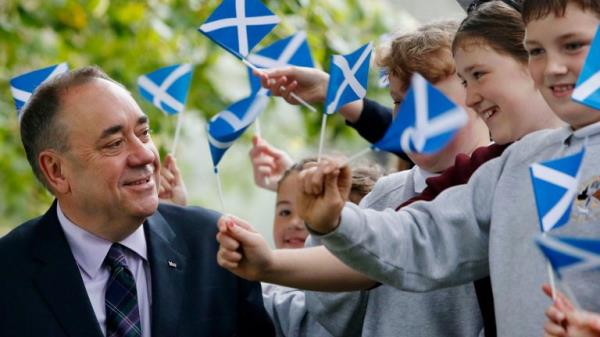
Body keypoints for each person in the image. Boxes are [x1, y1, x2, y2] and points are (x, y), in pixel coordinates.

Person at [216, 1, 596, 336]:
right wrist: (325, 229)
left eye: (573, 45)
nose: (550, 67)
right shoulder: (506, 167)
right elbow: (422, 237)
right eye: (536, 51)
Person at [0, 66, 275, 337]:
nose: (144, 155)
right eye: (114, 143)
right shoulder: (9, 275)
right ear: (56, 171)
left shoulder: (215, 246)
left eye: (144, 133)